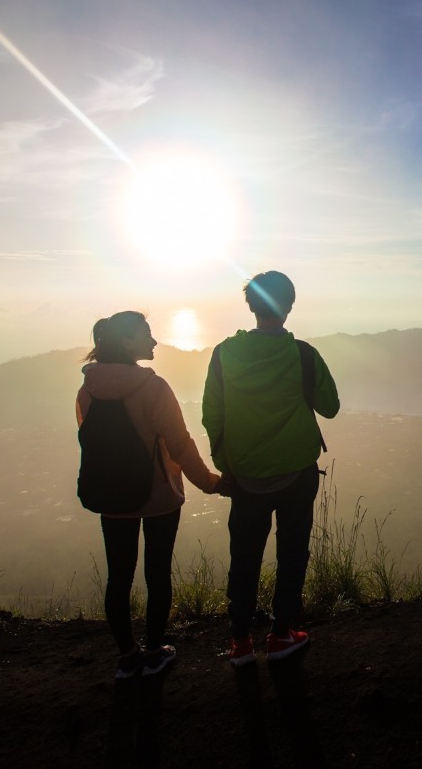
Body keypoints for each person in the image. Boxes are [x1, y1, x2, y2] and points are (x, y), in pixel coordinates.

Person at [202, 271, 340, 666]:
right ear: (289, 305)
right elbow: (329, 406)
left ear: (251, 305)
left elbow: (213, 414)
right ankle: (281, 635)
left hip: (245, 476)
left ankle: (241, 641)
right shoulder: (303, 355)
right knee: (293, 552)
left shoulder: (223, 354)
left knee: (244, 555)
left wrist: (226, 464)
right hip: (297, 472)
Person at [77, 311, 220, 679]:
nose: (154, 341)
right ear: (127, 343)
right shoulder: (154, 388)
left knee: (118, 578)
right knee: (157, 575)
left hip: (111, 497)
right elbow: (180, 445)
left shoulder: (87, 390)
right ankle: (155, 653)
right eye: (147, 334)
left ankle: (126, 657)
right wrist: (211, 482)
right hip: (158, 498)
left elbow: (89, 438)